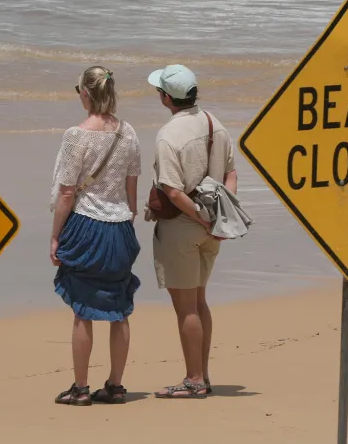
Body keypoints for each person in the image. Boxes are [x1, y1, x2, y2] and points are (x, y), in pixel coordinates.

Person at [50, 66, 142, 406]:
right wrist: (128, 217)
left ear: (86, 94)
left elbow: (66, 193)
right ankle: (116, 385)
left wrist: (55, 236)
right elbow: (133, 183)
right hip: (119, 227)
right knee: (120, 308)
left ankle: (81, 387)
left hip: (87, 226)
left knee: (82, 308)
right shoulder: (128, 132)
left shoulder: (76, 135)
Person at [144, 64, 237, 399]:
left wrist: (200, 218)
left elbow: (172, 191)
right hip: (212, 228)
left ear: (167, 97)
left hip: (184, 227)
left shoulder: (169, 135)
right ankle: (204, 375)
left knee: (186, 308)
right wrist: (219, 219)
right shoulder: (216, 124)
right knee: (199, 301)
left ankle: (194, 379)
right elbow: (230, 174)